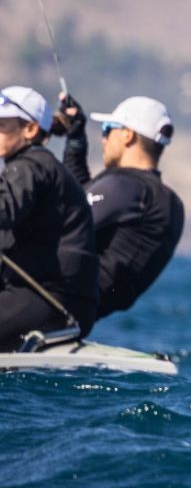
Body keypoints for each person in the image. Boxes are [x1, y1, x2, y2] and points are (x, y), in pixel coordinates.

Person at [54, 94, 184, 322]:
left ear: (127, 134)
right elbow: (81, 198)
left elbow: (67, 216)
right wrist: (76, 140)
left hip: (52, 300)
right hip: (81, 311)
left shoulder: (127, 187)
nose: (103, 139)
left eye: (107, 129)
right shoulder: (163, 199)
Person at [0, 85, 98, 349]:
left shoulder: (32, 166)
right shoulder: (32, 167)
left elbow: (4, 210)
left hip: (53, 303)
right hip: (54, 300)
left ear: (30, 130)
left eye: (2, 126)